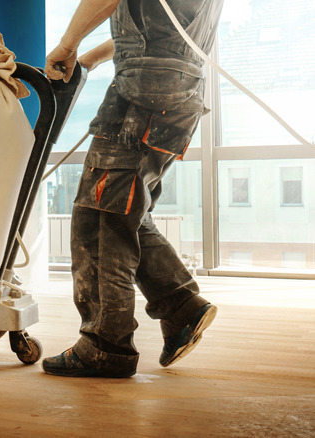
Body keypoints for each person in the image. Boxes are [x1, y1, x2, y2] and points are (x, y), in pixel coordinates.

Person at [42, 0, 223, 378]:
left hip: (143, 96)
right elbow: (157, 23)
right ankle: (181, 307)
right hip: (179, 93)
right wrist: (90, 57)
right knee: (127, 212)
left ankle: (105, 345)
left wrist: (68, 44)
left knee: (99, 217)